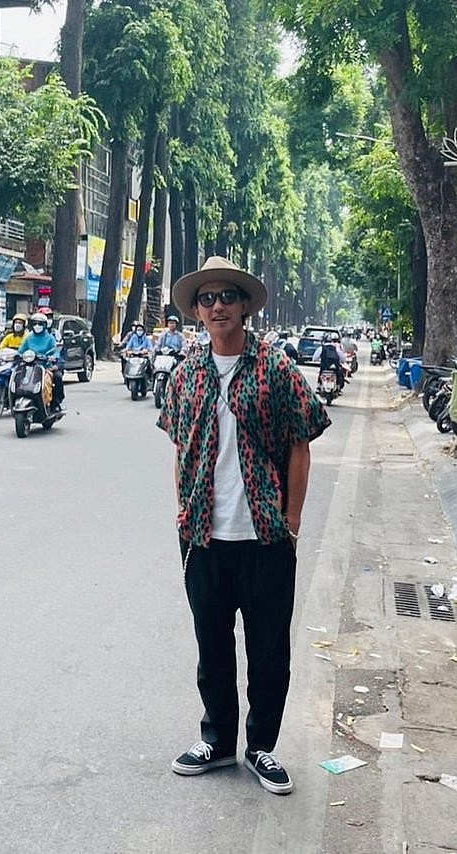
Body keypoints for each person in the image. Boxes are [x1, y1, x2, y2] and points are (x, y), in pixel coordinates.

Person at [157, 256, 330, 795]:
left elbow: (300, 444)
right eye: (206, 299)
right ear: (196, 311)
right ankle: (216, 738)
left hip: (266, 536)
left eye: (226, 296)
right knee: (211, 643)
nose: (216, 306)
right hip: (205, 536)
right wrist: (181, 511)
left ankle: (262, 747)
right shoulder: (185, 373)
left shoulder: (276, 368)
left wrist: (293, 518)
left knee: (268, 649)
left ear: (245, 305)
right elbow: (180, 448)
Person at [18, 312, 64, 409]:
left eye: (40, 324)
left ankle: (56, 402)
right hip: (29, 366)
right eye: (35, 323)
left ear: (45, 325)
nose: (37, 326)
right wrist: (17, 355)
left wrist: (53, 357)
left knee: (57, 377)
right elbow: (21, 350)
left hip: (45, 367)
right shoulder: (29, 338)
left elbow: (56, 351)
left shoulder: (50, 338)